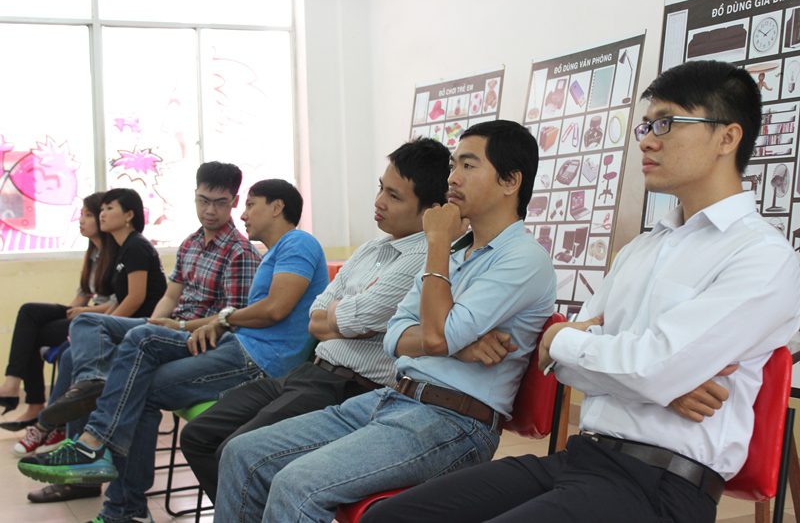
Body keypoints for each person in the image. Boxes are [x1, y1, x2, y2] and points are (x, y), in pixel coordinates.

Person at [361, 60, 800, 523]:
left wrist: (575, 343)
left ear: (727, 138)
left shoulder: (761, 256)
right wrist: (639, 374)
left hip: (661, 486)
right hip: (581, 458)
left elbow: (644, 367)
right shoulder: (642, 249)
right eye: (646, 126)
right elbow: (562, 365)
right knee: (389, 518)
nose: (648, 140)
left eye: (667, 123)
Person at [213, 120, 557, 522]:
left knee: (297, 485)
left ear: (510, 181)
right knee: (242, 453)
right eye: (453, 166)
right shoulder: (456, 252)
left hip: (454, 423)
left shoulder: (522, 258)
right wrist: (455, 343)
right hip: (393, 398)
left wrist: (437, 247)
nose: (453, 178)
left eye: (468, 165)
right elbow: (396, 335)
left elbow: (433, 337)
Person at [18, 179, 328, 523]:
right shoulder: (272, 252)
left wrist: (220, 320)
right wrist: (193, 325)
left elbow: (275, 309)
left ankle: (105, 467)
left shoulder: (298, 243)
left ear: (277, 207)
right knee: (116, 339)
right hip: (237, 345)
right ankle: (112, 481)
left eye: (250, 205)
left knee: (140, 362)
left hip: (259, 360)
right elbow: (246, 313)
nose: (243, 215)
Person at [179, 137, 450, 501]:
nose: (378, 202)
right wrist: (341, 316)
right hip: (310, 372)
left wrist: (338, 315)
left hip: (351, 387)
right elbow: (316, 317)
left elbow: (358, 317)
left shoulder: (424, 257)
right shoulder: (371, 249)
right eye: (380, 188)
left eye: (394, 196)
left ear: (431, 210)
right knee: (197, 436)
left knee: (237, 451)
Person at [23, 161, 261, 503]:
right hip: (169, 328)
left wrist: (172, 327)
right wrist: (155, 321)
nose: (210, 210)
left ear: (234, 202)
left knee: (134, 357)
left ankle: (98, 463)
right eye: (203, 200)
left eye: (220, 203)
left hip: (198, 339)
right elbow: (170, 296)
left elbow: (229, 321)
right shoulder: (191, 243)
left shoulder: (240, 252)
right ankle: (92, 385)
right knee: (86, 325)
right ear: (194, 196)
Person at [0, 193, 114, 433]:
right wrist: (68, 313)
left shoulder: (117, 253)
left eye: (88, 215)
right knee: (29, 312)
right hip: (86, 311)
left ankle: (30, 401)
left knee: (32, 335)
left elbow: (120, 302)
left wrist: (82, 312)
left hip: (100, 318)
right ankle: (16, 387)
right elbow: (83, 294)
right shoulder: (93, 252)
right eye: (81, 215)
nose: (81, 220)